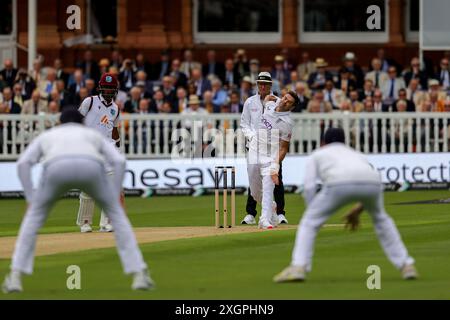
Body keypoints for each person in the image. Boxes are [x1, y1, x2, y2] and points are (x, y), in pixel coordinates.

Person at [1, 109, 153, 293]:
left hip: (56, 168)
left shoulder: (50, 134)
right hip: (91, 167)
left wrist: (30, 198)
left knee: (31, 221)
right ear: (82, 122)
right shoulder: (91, 134)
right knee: (118, 219)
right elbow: (119, 161)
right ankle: (139, 275)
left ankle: (15, 277)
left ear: (60, 122)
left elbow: (23, 163)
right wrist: (113, 195)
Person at [273, 128, 417, 282]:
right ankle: (406, 265)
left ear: (323, 143)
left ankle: (299, 267)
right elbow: (368, 178)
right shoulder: (356, 154)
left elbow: (309, 186)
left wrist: (313, 214)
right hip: (372, 183)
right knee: (381, 220)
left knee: (308, 223)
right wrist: (359, 209)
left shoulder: (317, 154)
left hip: (338, 183)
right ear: (344, 141)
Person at [240, 72, 288, 226]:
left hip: (271, 147)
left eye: (265, 84)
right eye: (260, 84)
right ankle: (251, 213)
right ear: (257, 85)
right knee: (254, 178)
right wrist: (252, 136)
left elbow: (282, 122)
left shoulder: (278, 102)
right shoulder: (249, 102)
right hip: (254, 146)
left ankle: (280, 213)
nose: (262, 86)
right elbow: (244, 123)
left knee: (276, 178)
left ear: (270, 85)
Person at [76, 73, 122, 233]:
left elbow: (114, 129)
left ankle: (106, 222)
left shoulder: (116, 109)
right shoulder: (90, 102)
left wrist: (118, 145)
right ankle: (85, 222)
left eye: (111, 88)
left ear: (116, 90)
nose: (108, 91)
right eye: (106, 87)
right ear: (100, 88)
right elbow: (77, 121)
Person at [246, 91, 298, 229]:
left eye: (289, 102)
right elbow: (267, 97)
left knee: (268, 186)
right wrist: (275, 99)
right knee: (255, 192)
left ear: (292, 107)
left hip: (270, 155)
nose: (285, 101)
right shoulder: (270, 104)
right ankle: (272, 206)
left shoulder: (287, 123)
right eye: (285, 98)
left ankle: (264, 219)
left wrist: (276, 165)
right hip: (254, 150)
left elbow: (284, 148)